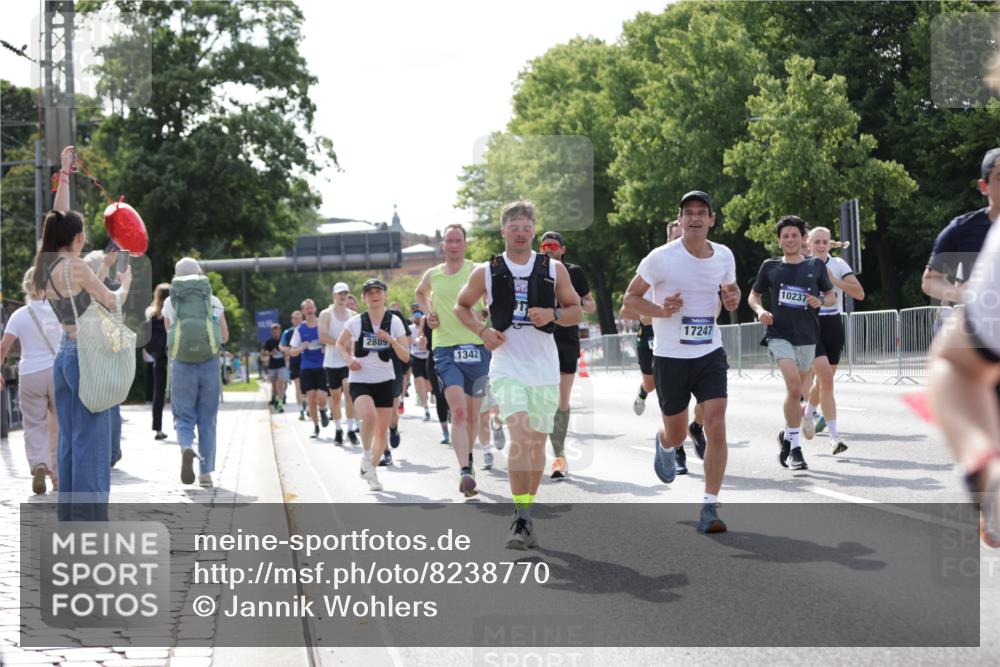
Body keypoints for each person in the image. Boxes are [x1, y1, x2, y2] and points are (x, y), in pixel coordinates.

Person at [455, 200, 582, 548]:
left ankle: (526, 513)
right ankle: (520, 517)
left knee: (537, 445)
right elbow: (461, 306)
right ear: (504, 231)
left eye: (527, 227)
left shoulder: (554, 269)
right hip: (507, 366)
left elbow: (576, 310)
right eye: (515, 228)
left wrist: (553, 314)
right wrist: (481, 332)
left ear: (534, 231)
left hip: (544, 369)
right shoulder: (487, 270)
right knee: (520, 435)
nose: (522, 233)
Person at [623, 191, 741, 534]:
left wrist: (732, 298)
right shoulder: (660, 258)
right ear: (680, 220)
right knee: (676, 434)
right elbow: (629, 299)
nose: (694, 218)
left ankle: (710, 505)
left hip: (709, 353)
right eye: (688, 213)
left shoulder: (723, 255)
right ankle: (664, 444)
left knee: (716, 423)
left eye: (701, 212)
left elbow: (730, 294)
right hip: (671, 357)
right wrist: (661, 311)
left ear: (711, 219)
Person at [37, 145, 133, 519]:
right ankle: (92, 526)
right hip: (85, 358)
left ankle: (70, 520)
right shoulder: (77, 268)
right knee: (92, 444)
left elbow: (57, 216)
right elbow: (112, 302)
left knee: (70, 442)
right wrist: (124, 283)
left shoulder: (45, 264)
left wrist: (64, 173)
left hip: (63, 356)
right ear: (77, 239)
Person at [749, 215, 835, 471]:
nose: (789, 239)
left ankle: (787, 436)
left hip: (808, 336)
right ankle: (796, 450)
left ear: (802, 239)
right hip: (779, 334)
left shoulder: (815, 266)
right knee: (794, 385)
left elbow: (830, 297)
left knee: (800, 391)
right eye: (784, 236)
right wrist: (759, 311)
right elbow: (754, 295)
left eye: (794, 235)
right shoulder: (770, 266)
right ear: (778, 240)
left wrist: (820, 301)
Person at [416, 224, 493, 497]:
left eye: (458, 240)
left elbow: (491, 297)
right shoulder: (432, 274)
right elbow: (419, 293)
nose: (453, 245)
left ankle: (469, 460)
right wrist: (428, 313)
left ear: (465, 243)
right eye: (448, 240)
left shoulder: (478, 269)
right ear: (443, 245)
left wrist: (486, 309)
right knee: (458, 412)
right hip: (445, 348)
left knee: (473, 415)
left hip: (476, 345)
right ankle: (464, 470)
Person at [335, 278, 410, 491]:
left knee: (381, 432)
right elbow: (340, 344)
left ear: (385, 295)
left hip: (385, 381)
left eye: (378, 291)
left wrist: (391, 340)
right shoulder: (356, 322)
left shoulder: (394, 322)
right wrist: (349, 360)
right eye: (369, 292)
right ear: (364, 298)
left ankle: (372, 471)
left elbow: (405, 357)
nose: (374, 295)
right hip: (360, 380)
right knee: (368, 417)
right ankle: (366, 456)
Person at [163, 257, 228, 488]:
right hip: (209, 363)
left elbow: (170, 334)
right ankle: (205, 474)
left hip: (181, 364)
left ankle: (186, 446)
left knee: (184, 416)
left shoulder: (171, 303)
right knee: (207, 419)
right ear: (199, 273)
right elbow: (225, 336)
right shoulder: (212, 300)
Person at [538, 231, 596, 479]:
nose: (548, 250)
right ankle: (553, 453)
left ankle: (559, 457)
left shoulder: (574, 272)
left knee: (561, 401)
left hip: (566, 341)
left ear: (563, 249)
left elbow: (590, 304)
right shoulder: (533, 271)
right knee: (543, 401)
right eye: (544, 246)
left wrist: (573, 306)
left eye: (553, 246)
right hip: (540, 341)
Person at [800, 228, 864, 454]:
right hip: (810, 326)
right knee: (826, 379)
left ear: (829, 244)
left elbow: (859, 293)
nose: (820, 245)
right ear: (808, 243)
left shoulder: (838, 264)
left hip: (833, 324)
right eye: (816, 241)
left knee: (825, 381)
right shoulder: (801, 265)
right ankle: (834, 438)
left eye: (824, 242)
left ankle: (807, 414)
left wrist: (834, 280)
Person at [0, 267, 62, 494]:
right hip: (57, 372)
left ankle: (38, 464)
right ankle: (57, 475)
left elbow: (4, 346)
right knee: (59, 425)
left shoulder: (19, 315)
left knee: (34, 424)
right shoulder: (58, 312)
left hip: (31, 375)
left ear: (27, 286)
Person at [319, 282, 357, 445]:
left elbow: (357, 337)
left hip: (347, 361)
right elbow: (322, 337)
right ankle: (338, 429)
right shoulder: (326, 314)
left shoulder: (353, 315)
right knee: (335, 398)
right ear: (334, 296)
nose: (343, 297)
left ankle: (350, 429)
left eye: (345, 294)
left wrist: (352, 347)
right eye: (340, 294)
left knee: (348, 392)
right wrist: (341, 343)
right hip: (331, 361)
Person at [289, 299, 329, 438]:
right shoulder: (300, 329)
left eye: (311, 308)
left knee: (322, 397)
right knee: (311, 398)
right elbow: (292, 351)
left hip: (323, 366)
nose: (310, 311)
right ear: (303, 311)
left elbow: (334, 341)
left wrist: (326, 348)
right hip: (307, 367)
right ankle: (316, 427)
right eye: (307, 309)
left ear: (315, 308)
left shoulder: (323, 325)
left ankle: (323, 410)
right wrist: (300, 348)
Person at [145, 283, 170, 441]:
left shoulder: (150, 313)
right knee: (178, 391)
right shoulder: (172, 311)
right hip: (172, 354)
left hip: (158, 356)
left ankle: (158, 429)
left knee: (158, 393)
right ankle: (180, 424)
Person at [280, 310, 306, 420]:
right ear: (292, 320)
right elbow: (281, 346)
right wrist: (289, 350)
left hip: (310, 362)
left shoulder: (307, 328)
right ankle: (301, 411)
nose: (297, 320)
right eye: (295, 318)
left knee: (308, 388)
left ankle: (308, 405)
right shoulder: (287, 332)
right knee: (298, 387)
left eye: (299, 318)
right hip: (295, 362)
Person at [408, 303, 432, 421]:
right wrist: (416, 341)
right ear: (412, 317)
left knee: (428, 386)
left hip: (428, 358)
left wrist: (424, 343)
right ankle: (426, 409)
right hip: (416, 358)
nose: (417, 317)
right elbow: (408, 340)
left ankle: (430, 394)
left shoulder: (428, 327)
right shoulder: (410, 328)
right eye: (415, 315)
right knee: (418, 381)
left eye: (419, 315)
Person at [261, 324, 287, 412]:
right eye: (274, 331)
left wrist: (285, 353)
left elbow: (289, 350)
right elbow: (263, 353)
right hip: (272, 367)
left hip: (282, 366)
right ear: (272, 332)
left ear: (280, 331)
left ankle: (280, 403)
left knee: (281, 384)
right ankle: (276, 399)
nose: (276, 333)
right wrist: (271, 353)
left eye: (277, 331)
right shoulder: (269, 341)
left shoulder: (284, 340)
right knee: (275, 386)